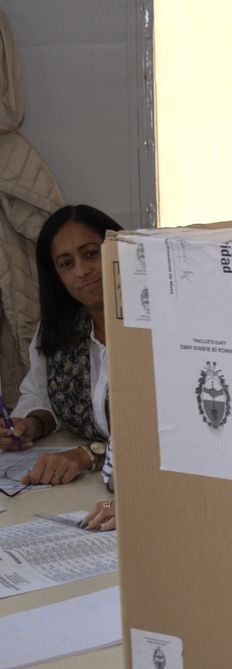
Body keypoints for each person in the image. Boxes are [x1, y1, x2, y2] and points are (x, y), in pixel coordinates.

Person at [0, 204, 120, 485]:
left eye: (91, 254)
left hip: (143, 485)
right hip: (81, 488)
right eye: (66, 263)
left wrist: (89, 454)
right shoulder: (59, 328)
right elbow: (42, 395)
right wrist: (31, 424)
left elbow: (168, 430)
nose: (82, 271)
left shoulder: (155, 328)